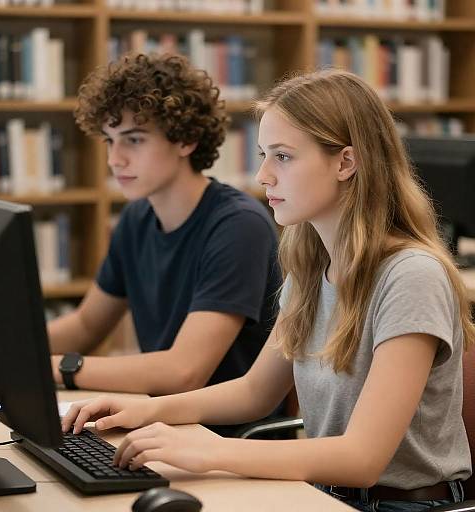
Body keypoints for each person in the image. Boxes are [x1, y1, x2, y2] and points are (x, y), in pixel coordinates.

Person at [61, 69, 474, 511]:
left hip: (404, 505)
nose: (262, 176)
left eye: (282, 157)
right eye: (263, 155)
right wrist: (145, 410)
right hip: (324, 494)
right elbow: (255, 392)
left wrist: (212, 453)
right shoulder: (312, 268)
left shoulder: (410, 276)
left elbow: (362, 458)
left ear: (345, 163)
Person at [49, 53, 282, 435]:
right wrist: (2, 349)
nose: (114, 159)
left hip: (225, 439)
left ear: (186, 139)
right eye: (109, 140)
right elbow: (87, 323)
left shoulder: (238, 226)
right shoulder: (137, 218)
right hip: (158, 426)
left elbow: (183, 371)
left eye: (134, 140)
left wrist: (59, 367)